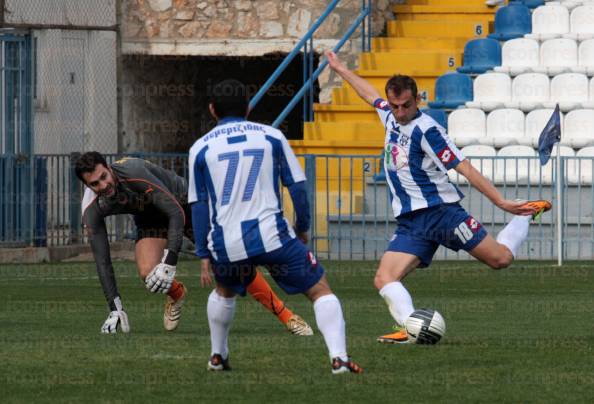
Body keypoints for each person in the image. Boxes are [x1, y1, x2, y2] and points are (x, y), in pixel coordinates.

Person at [324, 50, 551, 343]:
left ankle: (527, 213)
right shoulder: (390, 117)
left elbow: (465, 168)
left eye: (406, 105)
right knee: (383, 278)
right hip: (411, 222)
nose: (400, 111)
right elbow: (369, 95)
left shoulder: (429, 131)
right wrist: (341, 68)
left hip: (442, 214)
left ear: (417, 100)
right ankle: (412, 329)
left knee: (501, 259)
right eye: (395, 106)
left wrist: (501, 202)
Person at [189, 79, 362, 374]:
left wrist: (204, 252)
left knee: (223, 291)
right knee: (320, 290)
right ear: (249, 106)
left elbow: (199, 205)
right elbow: (296, 186)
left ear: (212, 110)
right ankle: (339, 358)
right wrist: (302, 226)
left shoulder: (200, 148)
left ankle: (218, 355)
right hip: (275, 238)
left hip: (228, 243)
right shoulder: (272, 137)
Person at [75, 152, 314, 335]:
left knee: (230, 264)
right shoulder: (91, 209)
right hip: (150, 219)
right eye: (95, 184)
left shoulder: (133, 171)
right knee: (148, 273)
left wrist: (170, 261)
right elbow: (103, 261)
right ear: (88, 186)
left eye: (104, 177)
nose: (103, 185)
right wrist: (114, 307)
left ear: (109, 167)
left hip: (184, 205)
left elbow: (175, 213)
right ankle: (177, 294)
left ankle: (287, 316)